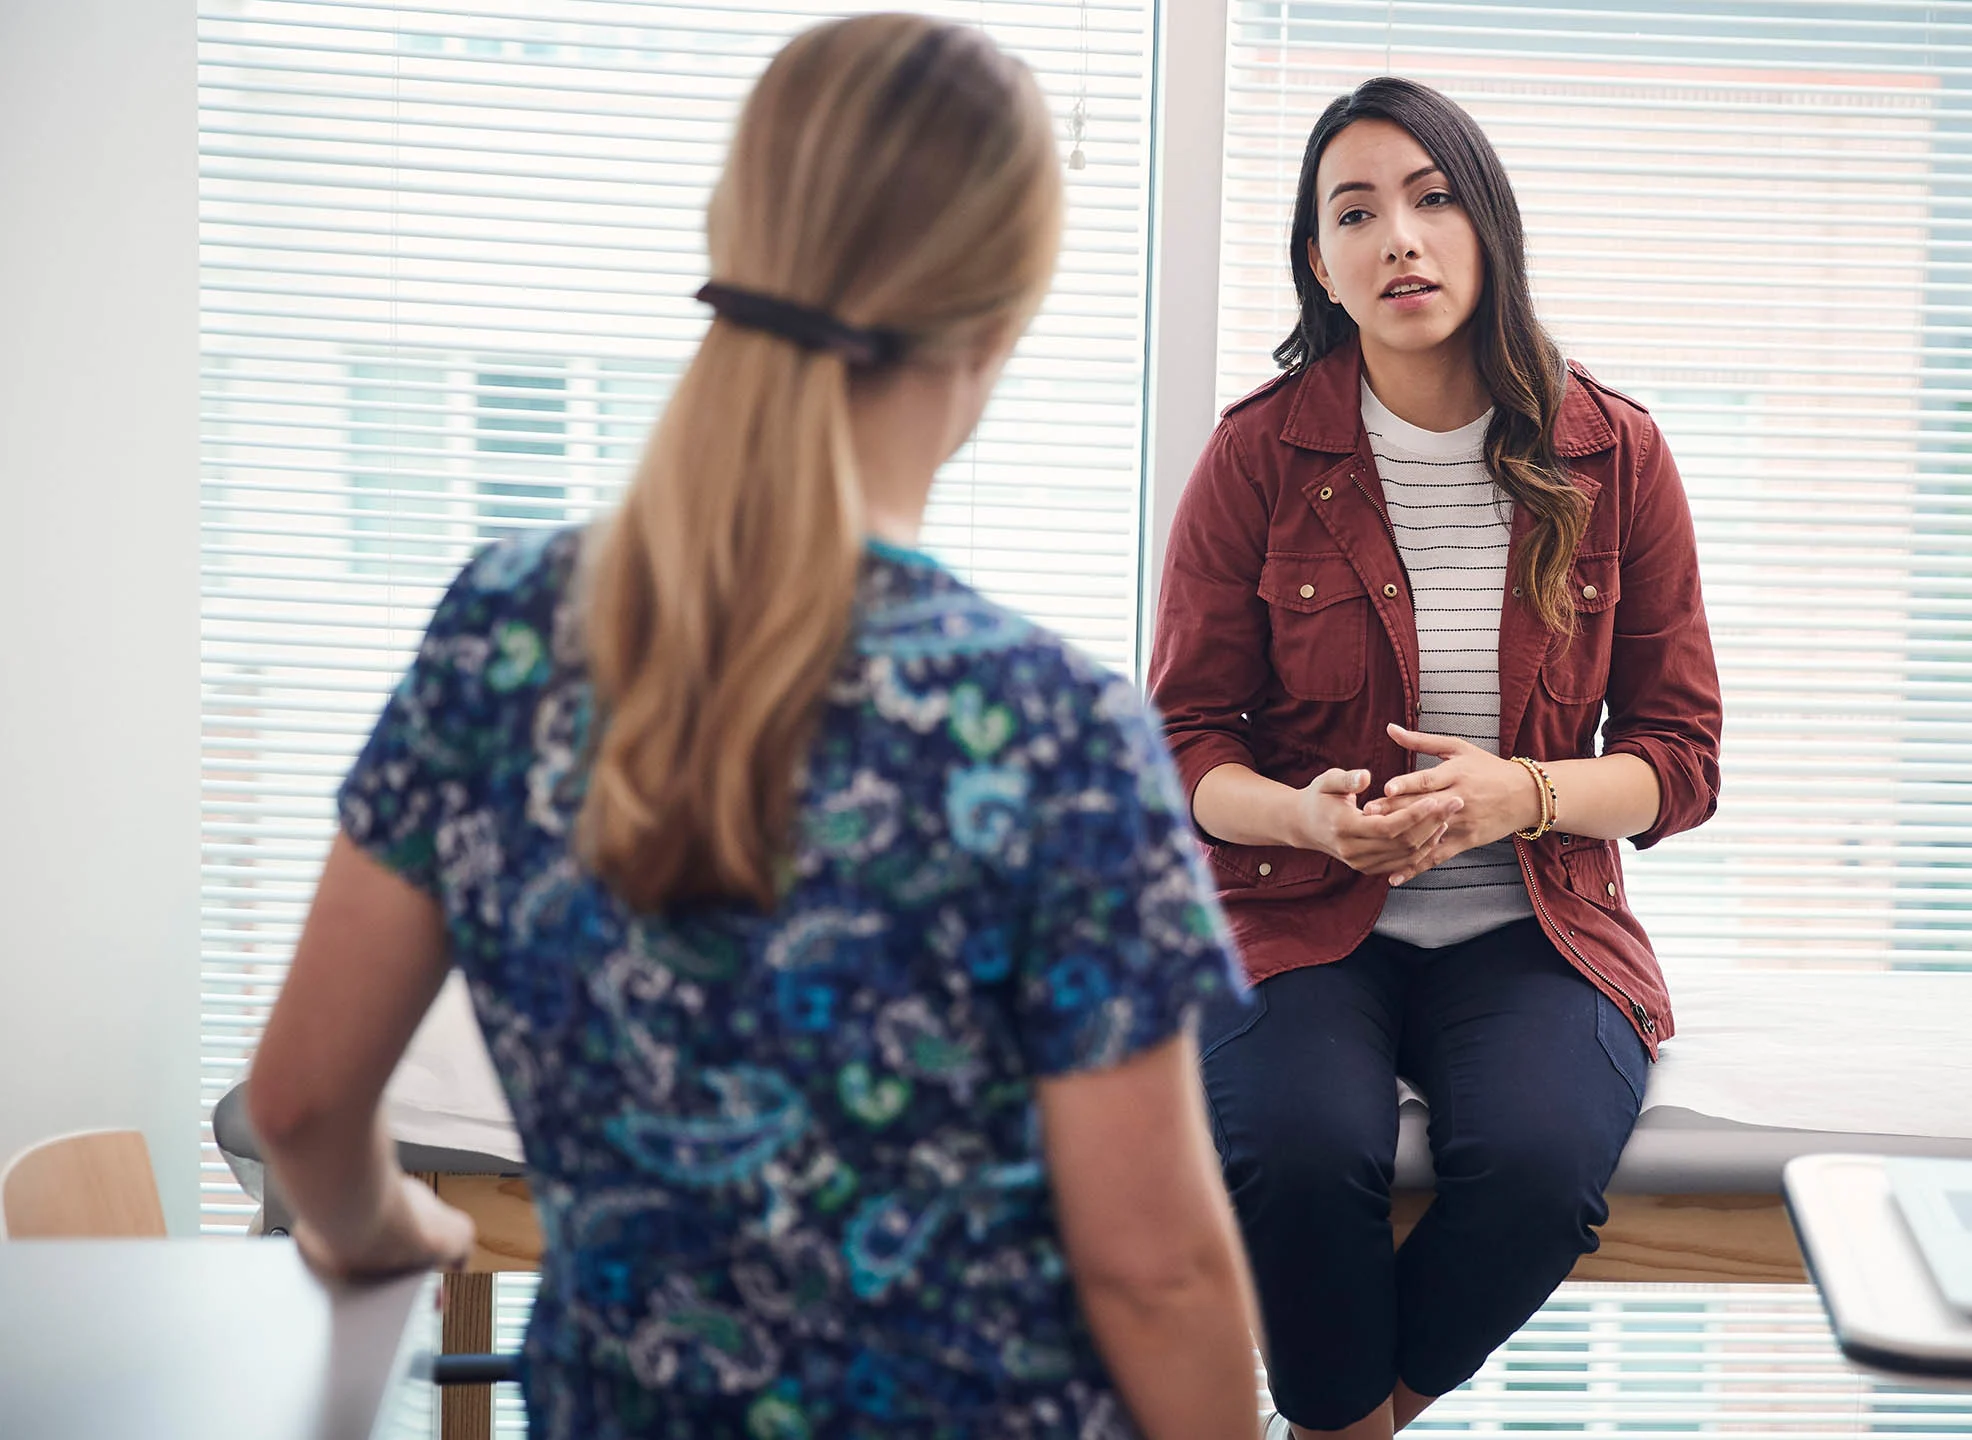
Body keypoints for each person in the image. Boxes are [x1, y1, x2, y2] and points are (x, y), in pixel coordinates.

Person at [245, 16, 1260, 1438]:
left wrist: (371, 1232)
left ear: (740, 245)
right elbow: (1155, 1274)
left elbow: (296, 1100)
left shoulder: (502, 634)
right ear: (998, 324)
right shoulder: (1049, 736)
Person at [1148, 77, 1723, 1438]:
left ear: (1487, 225)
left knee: (1535, 1165)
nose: (1399, 236)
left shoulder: (1618, 454)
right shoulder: (1256, 457)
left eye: (1432, 196)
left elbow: (1679, 758)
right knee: (1294, 1156)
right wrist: (1307, 818)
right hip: (1297, 921)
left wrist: (1517, 794)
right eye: (1357, 212)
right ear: (1320, 264)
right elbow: (1180, 746)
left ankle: (1341, 1425)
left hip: (1536, 923)